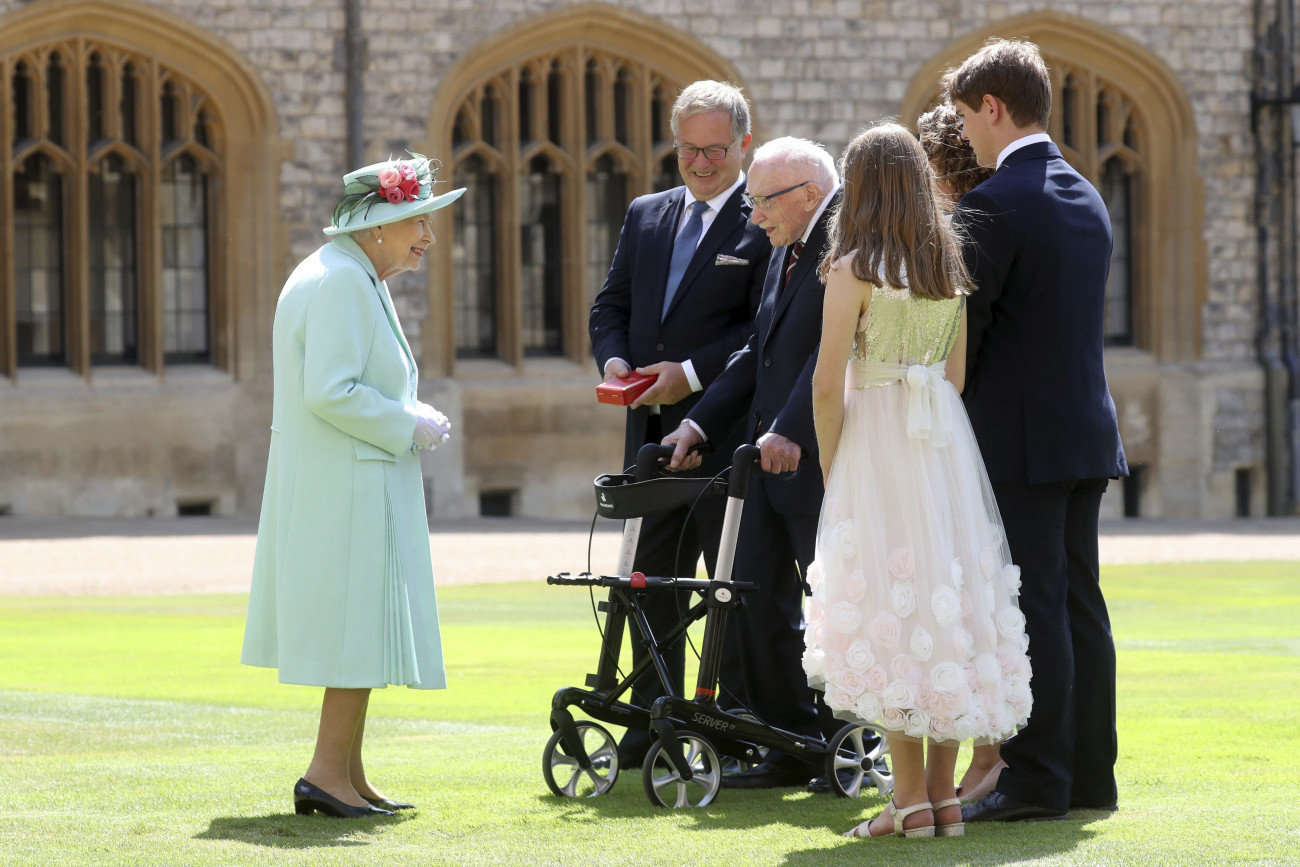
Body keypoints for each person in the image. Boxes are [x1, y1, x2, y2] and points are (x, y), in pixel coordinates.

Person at [805, 122, 1033, 839]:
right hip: (941, 446)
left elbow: (823, 382)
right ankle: (944, 796)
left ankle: (907, 801)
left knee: (890, 604)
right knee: (948, 600)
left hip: (876, 440)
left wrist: (833, 461)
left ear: (860, 185)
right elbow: (957, 377)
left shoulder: (853, 266)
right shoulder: (947, 263)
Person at [242, 152, 463, 818]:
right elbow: (330, 390)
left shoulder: (349, 274)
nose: (426, 236)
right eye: (416, 221)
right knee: (351, 631)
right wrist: (408, 421)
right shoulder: (339, 280)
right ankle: (324, 774)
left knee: (360, 628)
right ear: (376, 226)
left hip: (348, 479)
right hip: (344, 483)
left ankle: (346, 772)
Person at [947, 39, 1128, 823]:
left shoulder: (992, 202)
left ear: (993, 107)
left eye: (966, 121)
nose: (966, 140)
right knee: (1081, 605)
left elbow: (968, 334)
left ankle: (1039, 780)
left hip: (1020, 442)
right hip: (1086, 433)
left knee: (1036, 610)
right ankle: (1090, 778)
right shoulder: (1086, 192)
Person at [588, 80, 771, 767]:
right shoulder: (646, 212)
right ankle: (650, 715)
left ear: (744, 144)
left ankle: (733, 722)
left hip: (725, 438)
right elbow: (610, 306)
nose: (699, 163)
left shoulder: (768, 216)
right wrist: (614, 362)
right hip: (648, 437)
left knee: (728, 587)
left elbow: (764, 331)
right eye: (688, 149)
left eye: (715, 150)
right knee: (646, 582)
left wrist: (689, 374)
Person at [658, 136, 850, 789]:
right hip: (764, 457)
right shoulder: (784, 249)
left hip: (821, 457)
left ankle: (845, 743)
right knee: (749, 596)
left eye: (762, 202)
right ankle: (792, 739)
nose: (753, 217)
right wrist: (696, 421)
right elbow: (757, 355)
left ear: (806, 195)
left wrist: (793, 428)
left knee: (834, 604)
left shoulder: (843, 246)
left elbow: (835, 352)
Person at [918, 101, 1004, 803]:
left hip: (963, 439)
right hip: (956, 434)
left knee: (969, 602)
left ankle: (988, 755)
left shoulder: (964, 234)